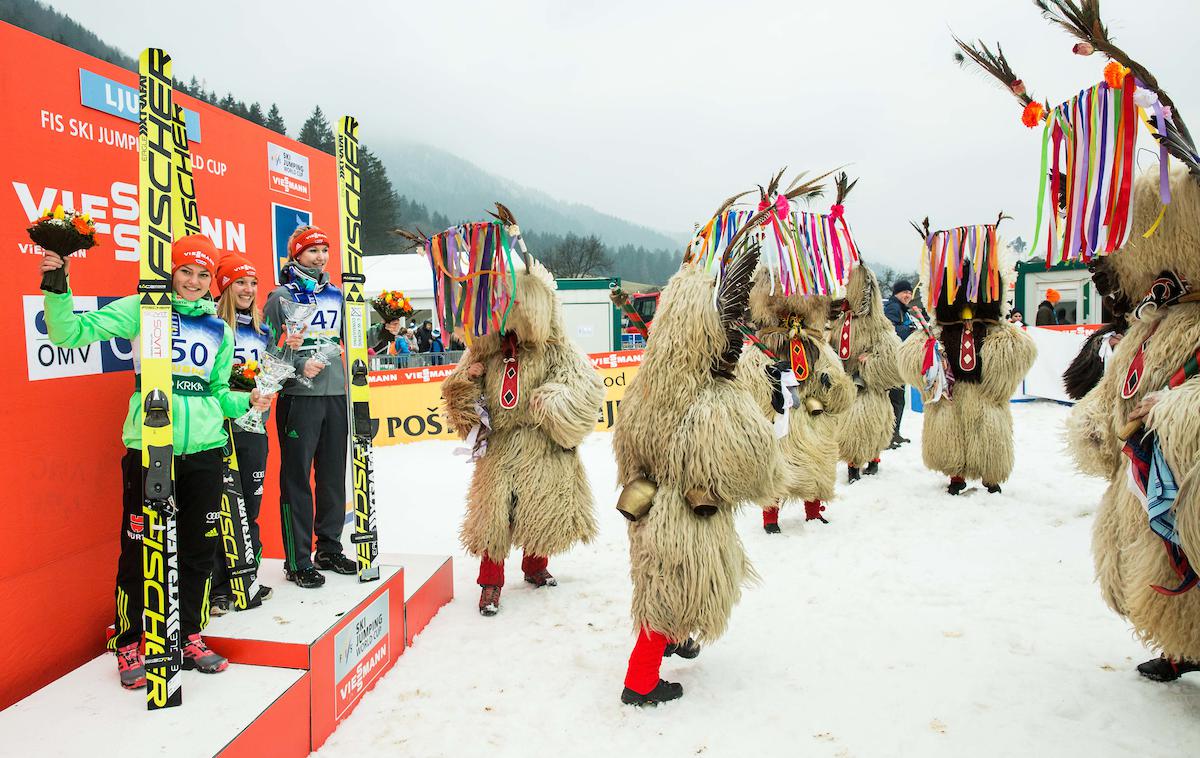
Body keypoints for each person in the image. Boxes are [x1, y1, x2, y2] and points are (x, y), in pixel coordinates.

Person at [39, 234, 273, 687]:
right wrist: (57, 280)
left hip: (205, 450)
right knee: (139, 550)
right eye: (185, 271)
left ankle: (187, 634)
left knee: (199, 548)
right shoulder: (145, 310)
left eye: (203, 275)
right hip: (151, 449)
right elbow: (67, 333)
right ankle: (131, 642)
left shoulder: (219, 329)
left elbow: (218, 393)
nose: (193, 281)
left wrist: (247, 401)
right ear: (171, 273)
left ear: (213, 283)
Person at [613, 232, 784, 705]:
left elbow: (629, 454)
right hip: (686, 517)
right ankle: (641, 682)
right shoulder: (710, 395)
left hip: (647, 508)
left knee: (666, 583)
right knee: (670, 591)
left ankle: (676, 638)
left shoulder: (646, 386)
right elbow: (743, 467)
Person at [435, 211, 603, 619]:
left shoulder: (556, 349)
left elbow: (584, 388)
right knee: (495, 514)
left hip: (540, 444)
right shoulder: (483, 351)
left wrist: (553, 400)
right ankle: (489, 583)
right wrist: (467, 384)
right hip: (501, 447)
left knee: (540, 508)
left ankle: (535, 565)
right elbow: (457, 398)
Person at [264, 225, 357, 588]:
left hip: (335, 394)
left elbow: (352, 341)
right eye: (312, 251)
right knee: (297, 480)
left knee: (334, 477)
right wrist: (298, 364)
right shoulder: (280, 297)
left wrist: (386, 334)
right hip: (298, 396)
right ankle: (298, 558)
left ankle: (329, 548)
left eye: (324, 250)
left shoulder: (337, 295)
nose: (319, 257)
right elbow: (266, 350)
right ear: (296, 255)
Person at [209, 254, 275, 615]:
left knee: (249, 505)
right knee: (221, 507)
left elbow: (268, 372)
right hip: (221, 425)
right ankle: (219, 587)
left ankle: (244, 578)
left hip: (254, 427)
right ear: (224, 287)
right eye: (240, 283)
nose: (248, 290)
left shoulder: (263, 329)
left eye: (252, 283)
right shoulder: (216, 327)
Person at [830, 265, 903, 483]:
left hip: (869, 384)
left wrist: (871, 360)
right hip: (846, 380)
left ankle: (873, 459)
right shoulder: (839, 320)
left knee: (871, 423)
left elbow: (891, 354)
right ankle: (853, 464)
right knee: (849, 426)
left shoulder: (879, 323)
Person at [884, 280, 916, 447]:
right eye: (904, 292)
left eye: (910, 293)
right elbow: (889, 330)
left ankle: (894, 433)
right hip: (892, 361)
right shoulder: (893, 308)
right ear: (896, 293)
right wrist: (910, 330)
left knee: (899, 399)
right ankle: (888, 435)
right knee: (894, 399)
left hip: (898, 359)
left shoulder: (902, 309)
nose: (908, 295)